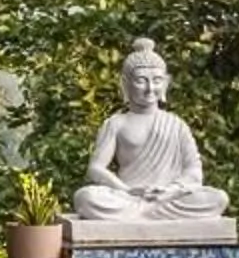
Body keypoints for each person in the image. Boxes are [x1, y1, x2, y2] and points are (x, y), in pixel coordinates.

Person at [71, 39, 230, 221]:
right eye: (141, 81)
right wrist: (125, 190)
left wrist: (170, 190)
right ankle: (147, 214)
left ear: (166, 83)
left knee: (218, 198)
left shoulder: (176, 124)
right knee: (85, 198)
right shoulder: (116, 123)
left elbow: (194, 172)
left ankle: (143, 214)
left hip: (166, 198)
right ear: (125, 84)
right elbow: (96, 168)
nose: (150, 88)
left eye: (157, 81)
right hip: (128, 196)